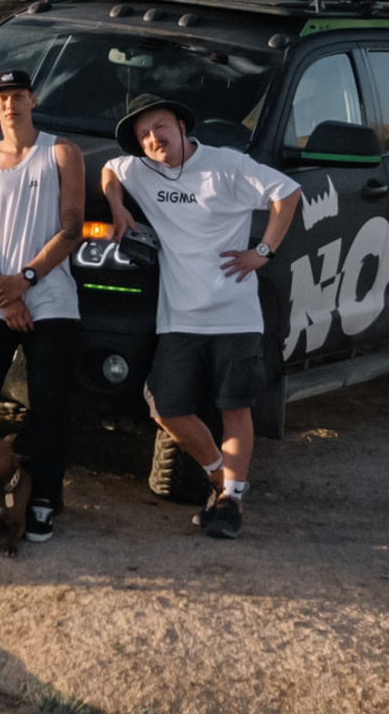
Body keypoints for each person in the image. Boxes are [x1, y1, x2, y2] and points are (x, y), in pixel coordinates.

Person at [100, 94, 300, 540]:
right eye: (143, 135)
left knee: (234, 408)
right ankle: (218, 478)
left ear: (181, 125)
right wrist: (117, 205)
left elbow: (287, 192)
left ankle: (231, 503)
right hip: (179, 318)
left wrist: (262, 251)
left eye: (160, 127)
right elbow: (110, 169)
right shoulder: (142, 169)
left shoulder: (226, 165)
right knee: (166, 406)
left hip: (234, 315)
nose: (154, 139)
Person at [0, 68, 85, 542]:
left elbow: (72, 228)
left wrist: (25, 280)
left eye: (18, 95)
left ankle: (43, 496)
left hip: (49, 293)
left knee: (49, 403)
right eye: (1, 97)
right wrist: (1, 293)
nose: (10, 104)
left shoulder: (61, 153)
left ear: (33, 98)